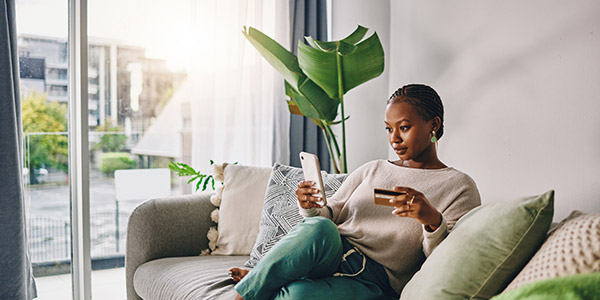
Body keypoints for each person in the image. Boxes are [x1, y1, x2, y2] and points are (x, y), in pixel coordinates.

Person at [229, 84, 481, 300]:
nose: (394, 138)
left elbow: (446, 262)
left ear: (433, 125)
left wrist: (431, 221)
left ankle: (265, 279)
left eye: (403, 127)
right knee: (319, 226)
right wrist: (310, 206)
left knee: (298, 295)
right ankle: (246, 292)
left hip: (374, 281)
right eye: (388, 128)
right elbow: (328, 217)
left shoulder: (459, 186)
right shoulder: (374, 168)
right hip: (333, 249)